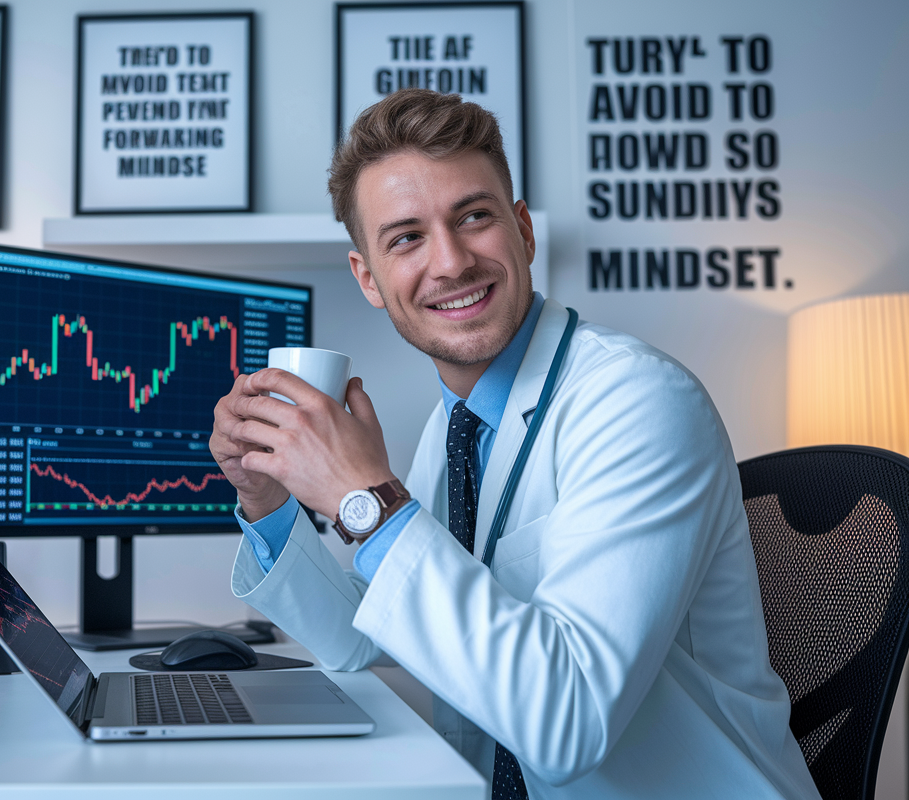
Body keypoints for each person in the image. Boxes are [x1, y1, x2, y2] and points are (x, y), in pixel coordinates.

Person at [209, 89, 820, 800]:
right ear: (369, 278)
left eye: (473, 217)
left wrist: (366, 497)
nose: (451, 261)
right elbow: (361, 638)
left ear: (523, 231)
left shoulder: (638, 402)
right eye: (406, 237)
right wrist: (271, 503)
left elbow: (568, 722)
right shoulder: (458, 426)